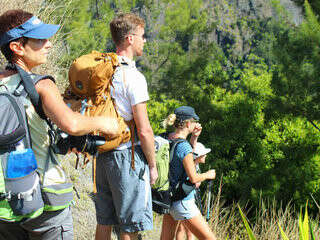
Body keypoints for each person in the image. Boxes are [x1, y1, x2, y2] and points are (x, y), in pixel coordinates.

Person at [0, 9, 119, 240]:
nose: (49, 44)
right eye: (40, 39)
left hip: (6, 203)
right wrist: (106, 122)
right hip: (45, 200)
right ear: (17, 47)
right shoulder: (41, 84)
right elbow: (72, 125)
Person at [94, 13, 158, 240]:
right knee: (129, 226)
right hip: (126, 157)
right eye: (142, 36)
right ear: (130, 39)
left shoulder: (103, 71)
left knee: (104, 221)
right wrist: (152, 165)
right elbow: (144, 129)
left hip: (101, 155)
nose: (145, 40)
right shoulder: (134, 77)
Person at [160, 106, 217, 240]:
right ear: (187, 124)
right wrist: (208, 174)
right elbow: (193, 177)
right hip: (183, 201)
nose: (196, 124)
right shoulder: (184, 146)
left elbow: (182, 158)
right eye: (194, 121)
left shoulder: (166, 138)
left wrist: (194, 137)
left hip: (168, 199)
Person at [175, 142, 212, 240]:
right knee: (184, 229)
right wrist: (206, 175)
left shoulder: (194, 165)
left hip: (186, 199)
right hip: (185, 200)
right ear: (198, 156)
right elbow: (193, 182)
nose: (205, 155)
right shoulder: (191, 166)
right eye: (203, 154)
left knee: (183, 229)